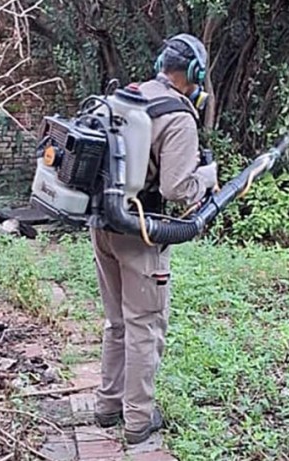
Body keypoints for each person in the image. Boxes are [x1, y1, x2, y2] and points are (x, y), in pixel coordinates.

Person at [88, 33, 218, 445]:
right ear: (194, 73)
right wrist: (208, 177)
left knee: (118, 323)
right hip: (140, 232)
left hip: (102, 226)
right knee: (145, 326)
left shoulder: (130, 95)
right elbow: (179, 188)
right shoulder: (177, 116)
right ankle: (138, 421)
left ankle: (108, 405)